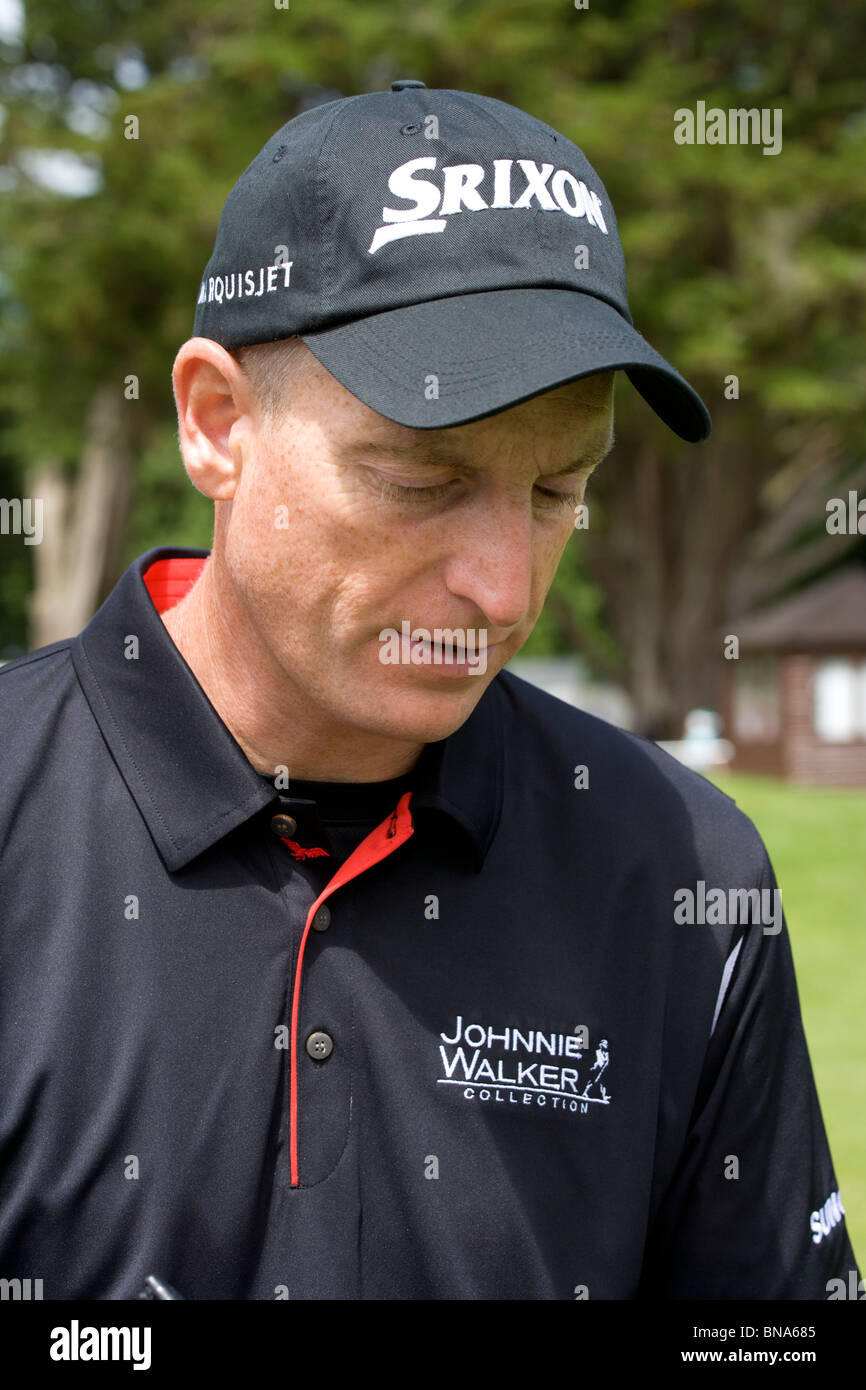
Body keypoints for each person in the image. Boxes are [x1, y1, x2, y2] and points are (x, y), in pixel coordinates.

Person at [0, 81, 858, 1301]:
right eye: (419, 479)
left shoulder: (682, 870)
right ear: (213, 423)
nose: (502, 590)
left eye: (555, 491)